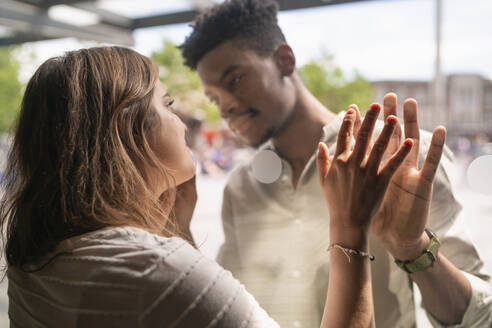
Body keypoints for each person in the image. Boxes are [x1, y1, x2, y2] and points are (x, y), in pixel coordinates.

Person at [0, 46, 432, 327]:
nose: (189, 117)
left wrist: (175, 234)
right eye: (166, 104)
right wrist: (351, 225)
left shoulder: (33, 256)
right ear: (126, 132)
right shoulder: (155, 269)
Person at [180, 0, 492, 327]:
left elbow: (479, 317)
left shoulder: (400, 158)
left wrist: (414, 249)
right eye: (214, 98)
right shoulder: (239, 188)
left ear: (284, 60)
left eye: (236, 80)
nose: (225, 108)